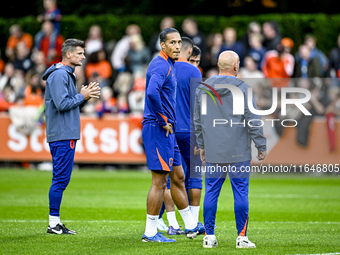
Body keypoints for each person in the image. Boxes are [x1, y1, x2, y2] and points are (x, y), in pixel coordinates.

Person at [194, 51, 267, 248]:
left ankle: (209, 236)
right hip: (238, 150)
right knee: (241, 192)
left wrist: (202, 146)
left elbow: (198, 121)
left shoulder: (203, 88)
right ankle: (241, 237)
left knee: (211, 191)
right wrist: (260, 144)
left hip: (214, 150)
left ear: (219, 65)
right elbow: (253, 119)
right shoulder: (243, 88)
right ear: (236, 66)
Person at [141, 28, 199, 243]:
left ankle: (192, 225)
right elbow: (151, 92)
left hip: (168, 129)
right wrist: (164, 119)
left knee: (178, 175)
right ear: (162, 45)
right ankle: (150, 232)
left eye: (178, 43)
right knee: (159, 181)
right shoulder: (161, 65)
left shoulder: (169, 65)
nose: (176, 46)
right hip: (159, 127)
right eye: (172, 42)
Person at [43, 38, 101, 235]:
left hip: (62, 132)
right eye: (79, 53)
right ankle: (53, 224)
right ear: (68, 54)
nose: (83, 56)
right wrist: (82, 96)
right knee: (60, 179)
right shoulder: (60, 75)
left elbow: (68, 104)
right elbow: (61, 105)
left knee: (61, 178)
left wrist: (83, 98)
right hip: (62, 133)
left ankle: (55, 222)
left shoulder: (64, 73)